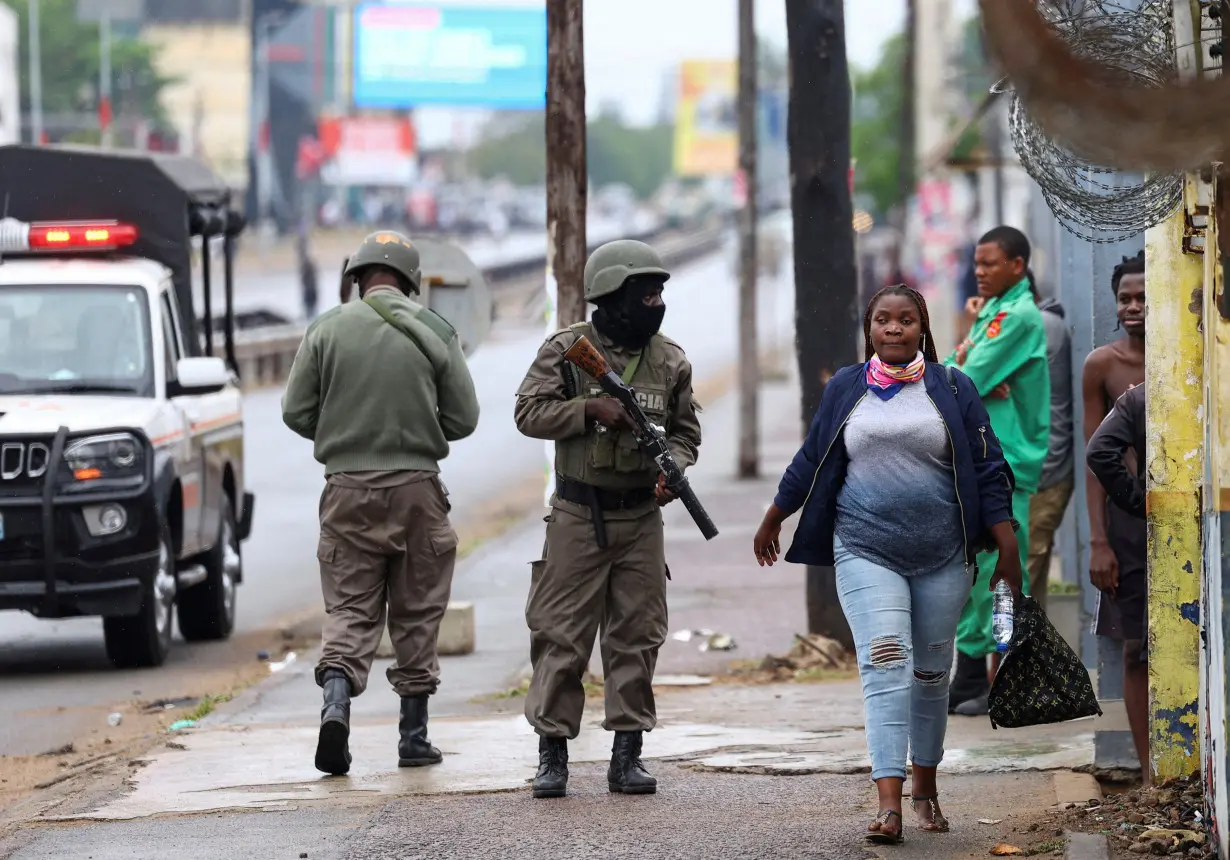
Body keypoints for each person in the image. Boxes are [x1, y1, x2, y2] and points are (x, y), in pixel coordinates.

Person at [753, 284, 1021, 845]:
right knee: (884, 662)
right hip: (864, 545)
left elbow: (988, 465)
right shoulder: (847, 387)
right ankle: (888, 802)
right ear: (869, 329)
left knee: (930, 675)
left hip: (944, 553)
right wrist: (775, 514)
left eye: (905, 320)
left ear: (923, 328)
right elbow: (813, 456)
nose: (893, 329)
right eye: (882, 320)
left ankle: (925, 788)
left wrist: (1007, 549)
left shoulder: (952, 387)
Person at [281, 230, 480, 777]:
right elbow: (464, 419)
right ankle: (413, 739)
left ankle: (337, 704)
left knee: (349, 610)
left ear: (356, 277)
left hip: (346, 490)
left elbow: (295, 413)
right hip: (418, 489)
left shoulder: (326, 329)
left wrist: (346, 433)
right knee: (417, 611)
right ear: (411, 282)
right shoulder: (434, 330)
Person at [513, 239, 702, 800]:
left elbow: (687, 433)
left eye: (660, 294)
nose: (656, 303)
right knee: (560, 636)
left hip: (642, 517)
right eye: (645, 295)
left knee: (637, 635)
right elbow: (527, 412)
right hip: (578, 513)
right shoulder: (569, 349)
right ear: (612, 296)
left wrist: (678, 469)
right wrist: (588, 409)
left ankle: (627, 755)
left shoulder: (671, 360)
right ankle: (552, 756)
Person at [944, 226, 1050, 716]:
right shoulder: (993, 312)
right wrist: (969, 376)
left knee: (998, 573)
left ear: (1017, 265)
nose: (979, 272)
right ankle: (972, 678)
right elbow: (959, 370)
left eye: (989, 264)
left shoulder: (1018, 317)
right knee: (981, 567)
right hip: (985, 459)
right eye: (977, 263)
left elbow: (960, 376)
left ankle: (987, 681)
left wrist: (971, 379)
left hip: (1005, 463)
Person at [1080, 250, 1148, 781]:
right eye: (1125, 298)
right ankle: (1151, 774)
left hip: (1181, 515)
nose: (1133, 306)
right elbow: (1095, 459)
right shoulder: (1102, 366)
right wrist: (1098, 541)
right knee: (1134, 649)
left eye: (1144, 297)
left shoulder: (1192, 356)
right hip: (1127, 525)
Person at [1028, 282, 1075, 610]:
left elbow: (970, 375)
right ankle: (1029, 661)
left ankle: (1008, 662)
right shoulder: (1040, 324)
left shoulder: (1042, 326)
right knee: (1030, 585)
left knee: (1016, 586)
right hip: (1036, 472)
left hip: (1043, 474)